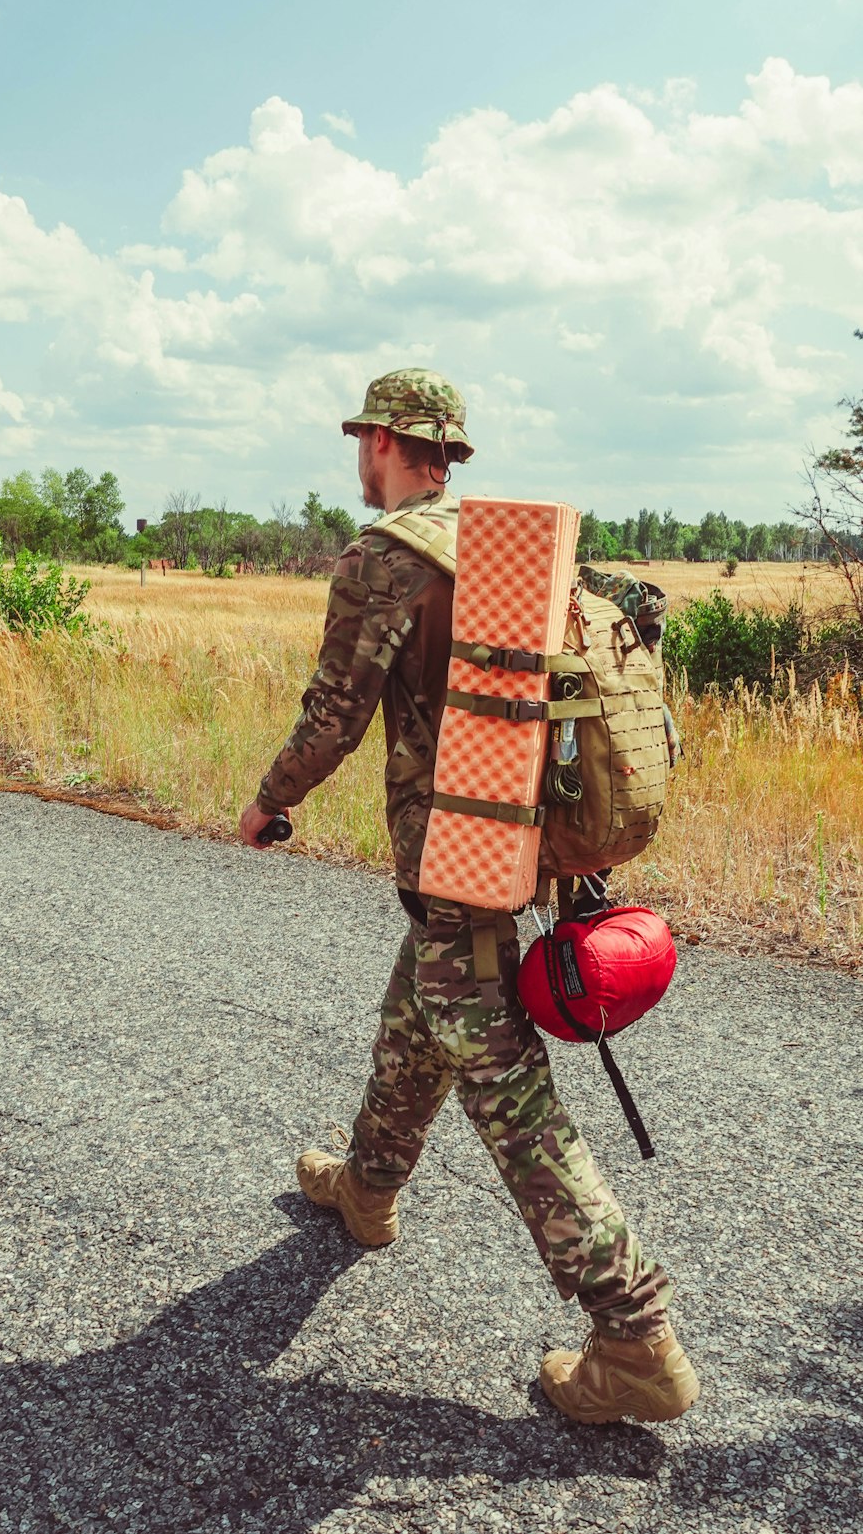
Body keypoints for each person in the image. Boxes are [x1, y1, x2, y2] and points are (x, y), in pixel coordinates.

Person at [239, 368, 699, 1425]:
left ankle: (634, 1337)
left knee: (514, 1107)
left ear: (387, 443)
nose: (359, 454)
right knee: (418, 1019)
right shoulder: (511, 546)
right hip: (523, 853)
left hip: (459, 864)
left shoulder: (384, 559)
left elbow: (332, 714)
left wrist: (270, 803)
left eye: (364, 437)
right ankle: (367, 1188)